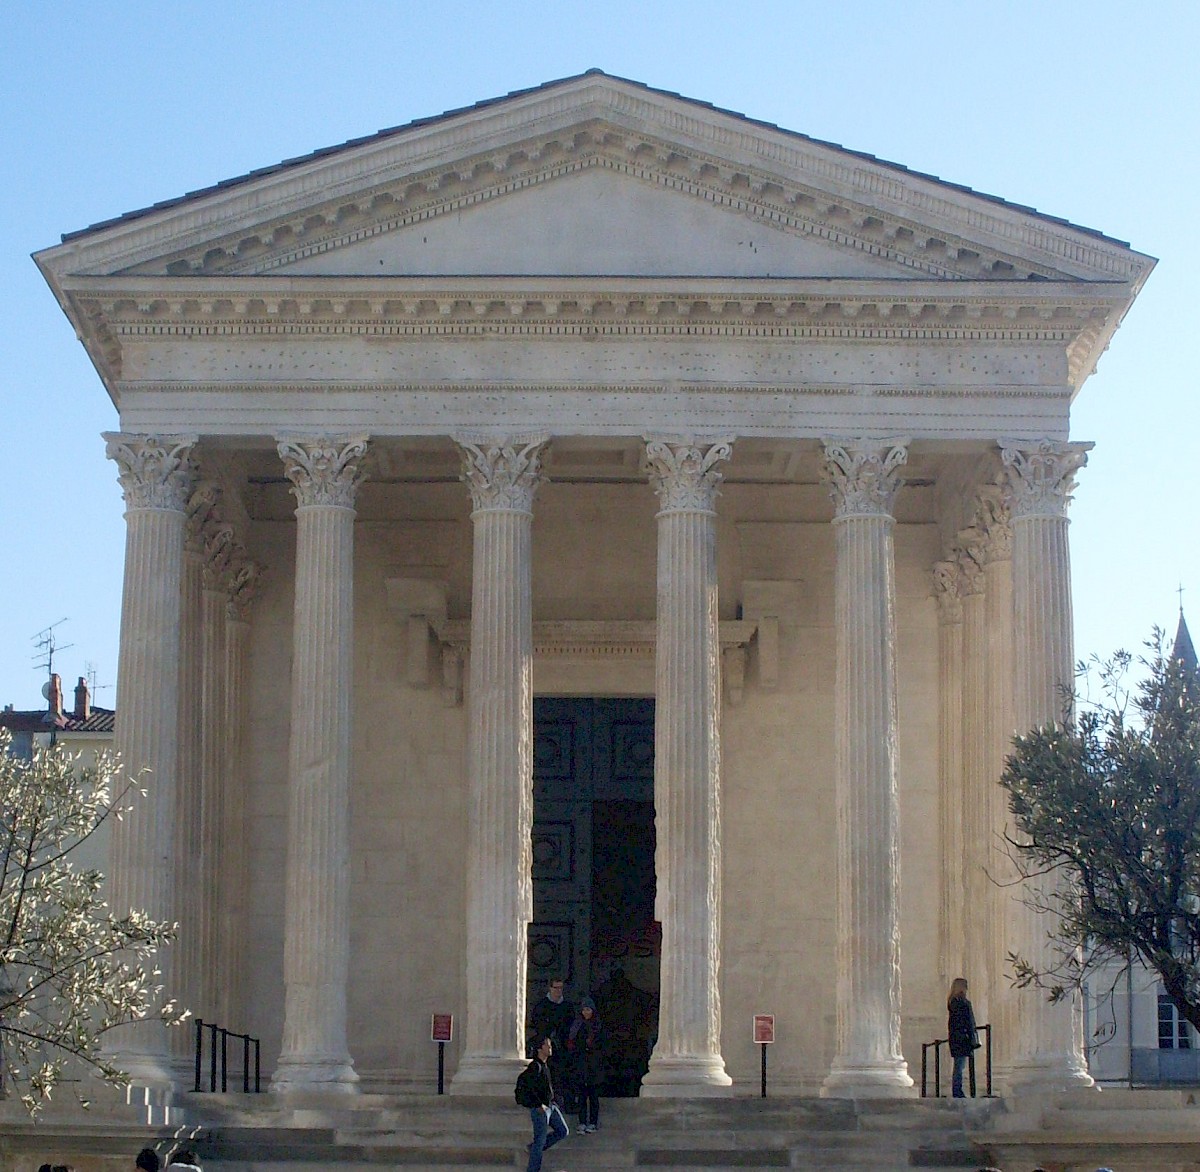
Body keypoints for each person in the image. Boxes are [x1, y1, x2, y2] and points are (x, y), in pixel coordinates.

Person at [520, 1036, 569, 1172]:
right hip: (540, 1108)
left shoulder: (546, 1065)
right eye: (547, 1045)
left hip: (550, 1106)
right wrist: (537, 1104)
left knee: (563, 1130)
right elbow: (528, 1088)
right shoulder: (535, 1067)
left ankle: (532, 1148)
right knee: (539, 1140)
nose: (550, 1048)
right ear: (540, 1049)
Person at [529, 976, 574, 1105]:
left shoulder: (567, 1006)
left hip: (563, 1047)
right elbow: (536, 1024)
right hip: (545, 1046)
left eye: (561, 988)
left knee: (563, 1074)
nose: (558, 991)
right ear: (550, 988)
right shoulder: (541, 1006)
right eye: (556, 988)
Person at [567, 995, 604, 1132]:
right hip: (581, 1065)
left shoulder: (598, 1026)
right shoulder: (577, 1025)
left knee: (593, 1096)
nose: (586, 1012)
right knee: (581, 1096)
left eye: (588, 1009)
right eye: (584, 1010)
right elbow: (572, 1044)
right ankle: (582, 1121)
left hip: (594, 1066)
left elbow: (601, 1045)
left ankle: (593, 1122)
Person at [947, 977, 979, 1098]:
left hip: (955, 1038)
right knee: (960, 1066)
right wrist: (972, 1036)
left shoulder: (952, 1002)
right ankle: (957, 1091)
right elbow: (969, 1021)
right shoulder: (963, 1002)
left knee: (958, 1065)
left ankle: (957, 1090)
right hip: (963, 1038)